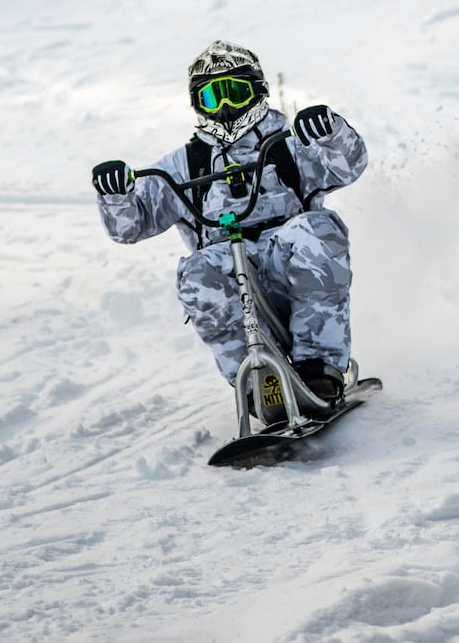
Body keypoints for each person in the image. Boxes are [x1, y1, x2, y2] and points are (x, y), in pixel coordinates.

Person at [91, 41, 367, 403]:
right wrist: (116, 195)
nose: (224, 108)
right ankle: (260, 384)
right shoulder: (184, 166)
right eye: (211, 98)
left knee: (313, 230)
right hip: (233, 282)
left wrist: (330, 133)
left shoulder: (289, 145)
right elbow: (129, 227)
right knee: (197, 270)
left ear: (256, 92)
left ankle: (319, 369)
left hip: (294, 270)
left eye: (234, 93)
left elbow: (349, 165)